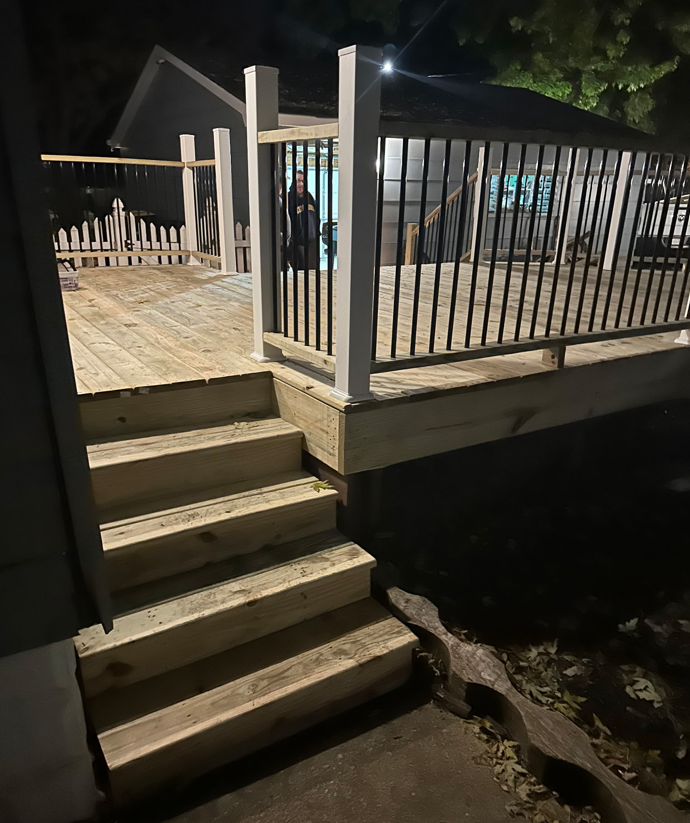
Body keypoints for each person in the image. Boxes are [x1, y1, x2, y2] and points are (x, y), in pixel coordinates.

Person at [287, 169, 319, 271]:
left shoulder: (309, 197)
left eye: (302, 181)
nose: (300, 184)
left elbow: (316, 217)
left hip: (312, 243)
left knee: (313, 272)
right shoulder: (288, 198)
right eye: (298, 181)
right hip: (297, 244)